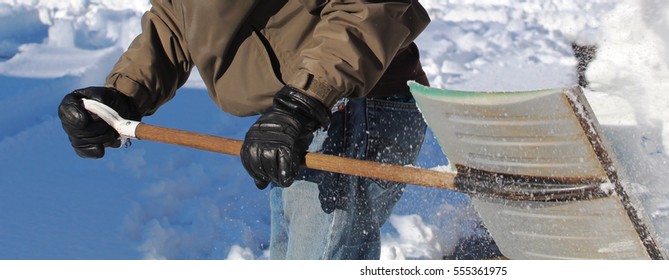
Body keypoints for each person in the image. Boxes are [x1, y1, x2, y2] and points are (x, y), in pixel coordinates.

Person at [57, 0, 431, 260]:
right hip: (294, 115)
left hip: (347, 103)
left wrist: (306, 99)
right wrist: (122, 95)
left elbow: (370, 7)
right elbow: (176, 17)